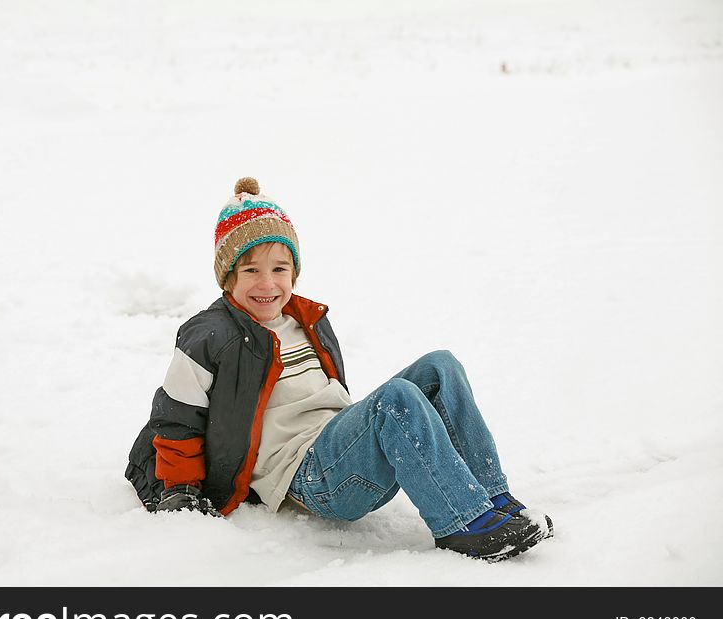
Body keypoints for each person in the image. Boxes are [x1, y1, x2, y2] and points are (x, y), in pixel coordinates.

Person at [125, 177, 553, 562]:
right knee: (395, 401)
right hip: (308, 478)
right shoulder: (208, 336)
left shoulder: (306, 319)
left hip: (342, 452)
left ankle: (492, 498)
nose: (267, 284)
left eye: (280, 269)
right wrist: (180, 490)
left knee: (441, 365)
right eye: (250, 270)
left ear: (295, 271)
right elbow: (176, 418)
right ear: (226, 277)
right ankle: (462, 524)